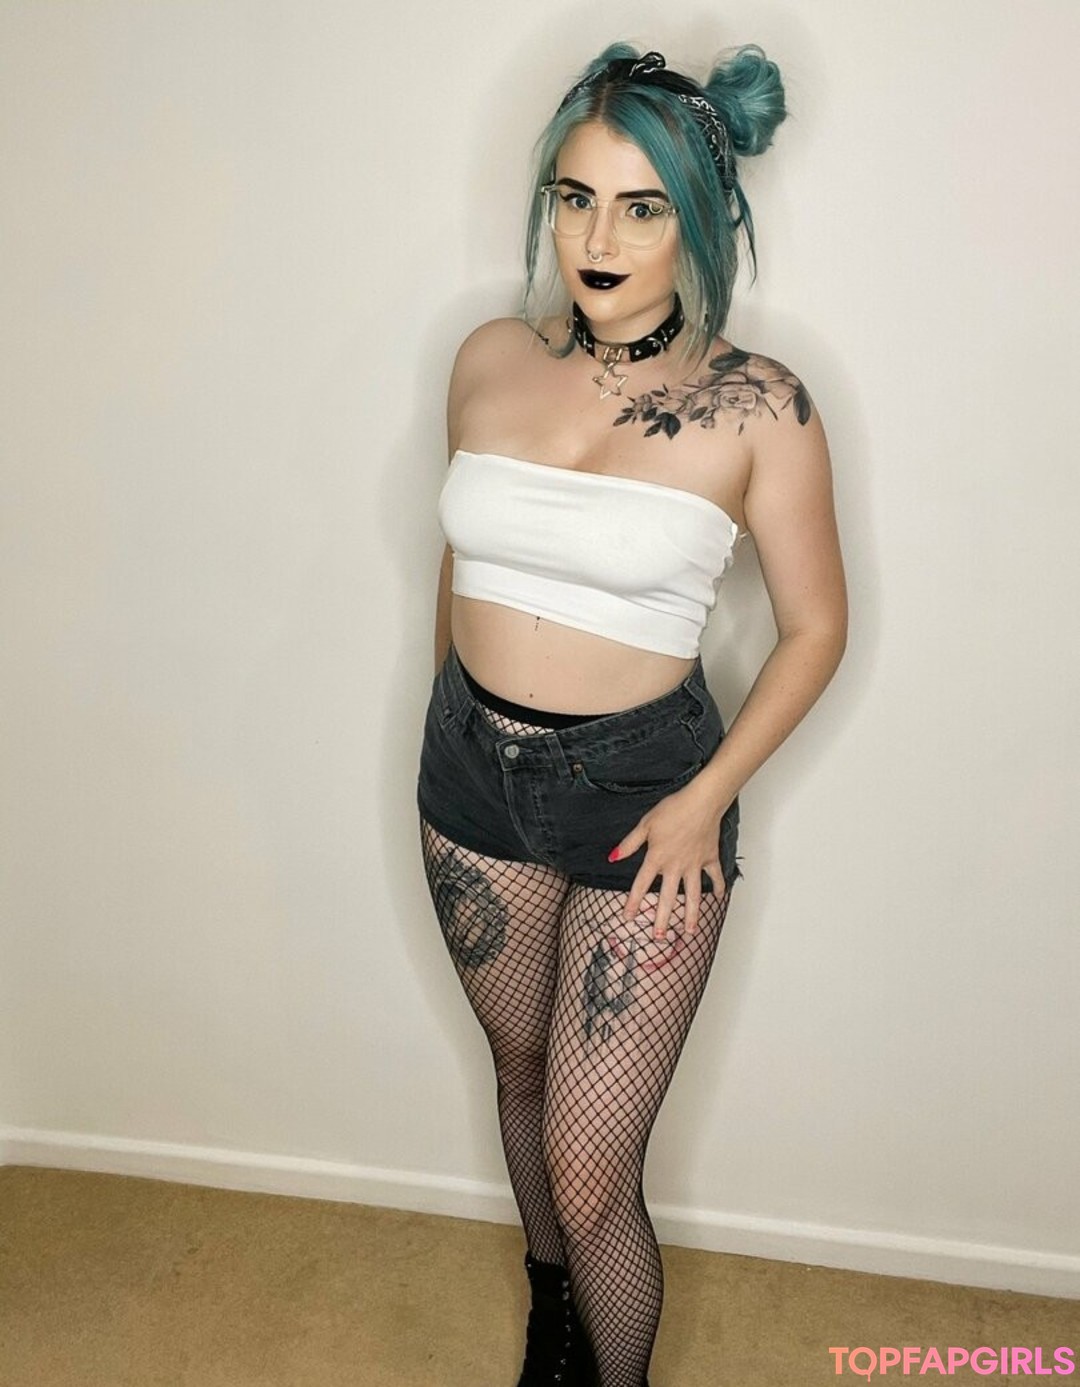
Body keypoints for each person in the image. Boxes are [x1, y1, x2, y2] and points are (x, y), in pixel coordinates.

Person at [416, 42, 847, 1387]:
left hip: (647, 798)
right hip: (469, 778)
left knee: (594, 1166)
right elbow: (457, 556)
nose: (597, 241)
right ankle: (550, 1312)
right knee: (520, 1074)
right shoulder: (488, 356)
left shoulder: (762, 406)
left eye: (640, 207)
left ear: (698, 220)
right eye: (574, 198)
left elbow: (817, 629)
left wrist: (706, 799)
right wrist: (447, 707)